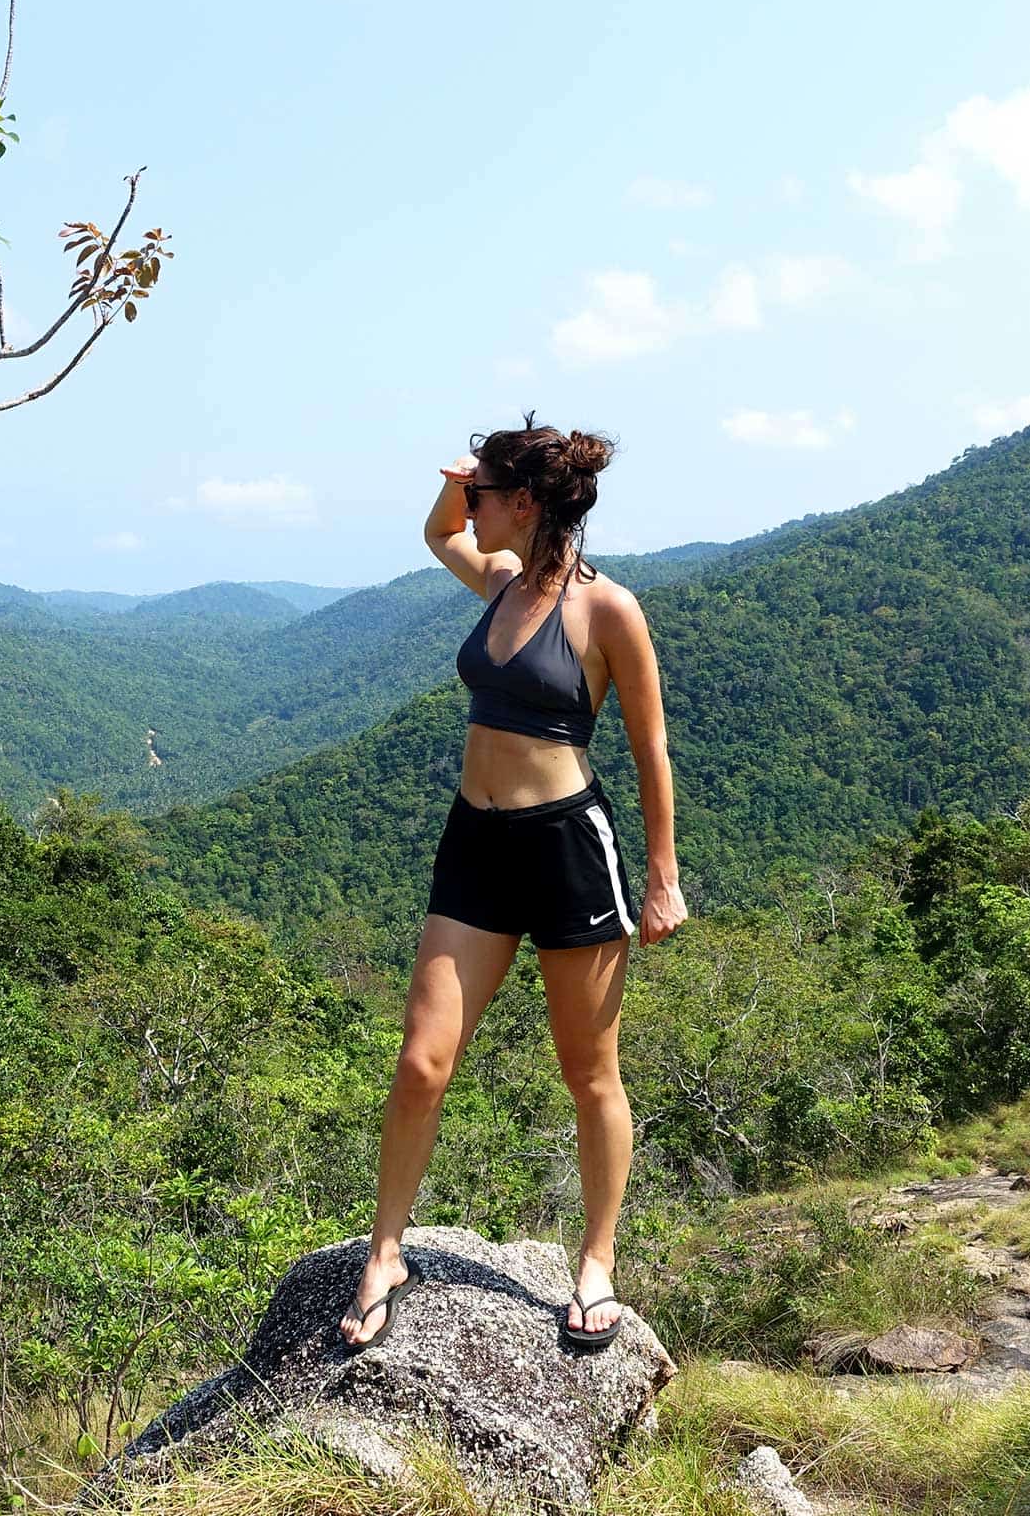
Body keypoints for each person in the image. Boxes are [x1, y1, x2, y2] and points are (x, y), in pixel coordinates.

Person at [338, 412, 688, 1354]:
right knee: (421, 1063)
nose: (473, 508)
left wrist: (662, 877)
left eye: (487, 492)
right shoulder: (497, 582)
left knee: (589, 1075)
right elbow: (438, 533)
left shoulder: (606, 609)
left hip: (569, 848)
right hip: (475, 844)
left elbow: (651, 749)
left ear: (527, 503)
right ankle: (385, 1252)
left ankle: (598, 1260)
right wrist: (459, 480)